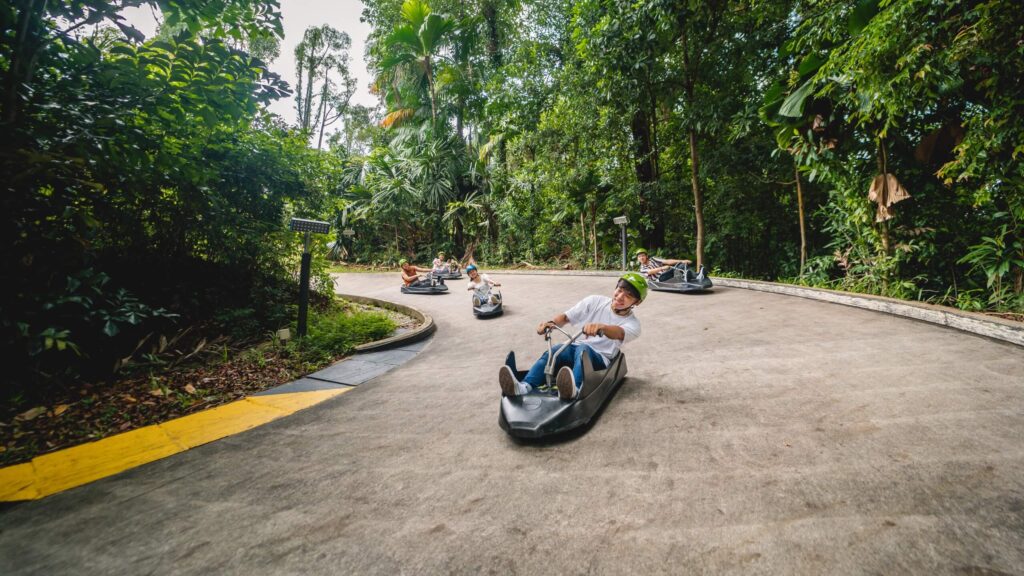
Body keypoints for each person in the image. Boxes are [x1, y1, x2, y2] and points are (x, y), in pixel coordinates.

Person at [498, 272, 646, 401]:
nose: (620, 297)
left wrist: (603, 327)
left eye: (628, 296)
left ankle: (573, 389)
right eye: (619, 290)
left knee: (583, 349)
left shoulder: (633, 324)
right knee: (556, 350)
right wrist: (550, 323)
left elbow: (619, 332)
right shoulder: (595, 301)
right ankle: (525, 386)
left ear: (637, 302)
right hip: (576, 347)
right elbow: (566, 317)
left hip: (601, 357)